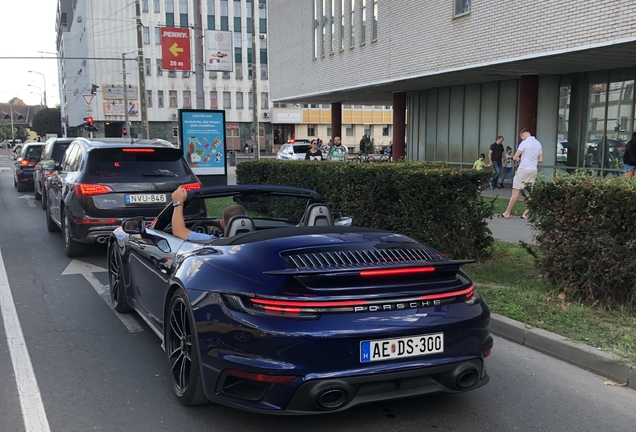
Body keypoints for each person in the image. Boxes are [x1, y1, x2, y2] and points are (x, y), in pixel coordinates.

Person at [170, 186, 247, 241]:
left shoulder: (213, 242)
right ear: (246, 219)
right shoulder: (258, 240)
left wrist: (178, 202)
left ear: (222, 224)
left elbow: (178, 231)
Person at [499, 129, 543, 219]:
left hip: (523, 169)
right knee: (529, 192)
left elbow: (515, 157)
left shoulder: (524, 143)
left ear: (523, 136)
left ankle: (507, 213)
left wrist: (520, 159)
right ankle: (526, 213)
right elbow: (540, 160)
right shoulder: (538, 143)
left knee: (516, 191)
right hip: (533, 169)